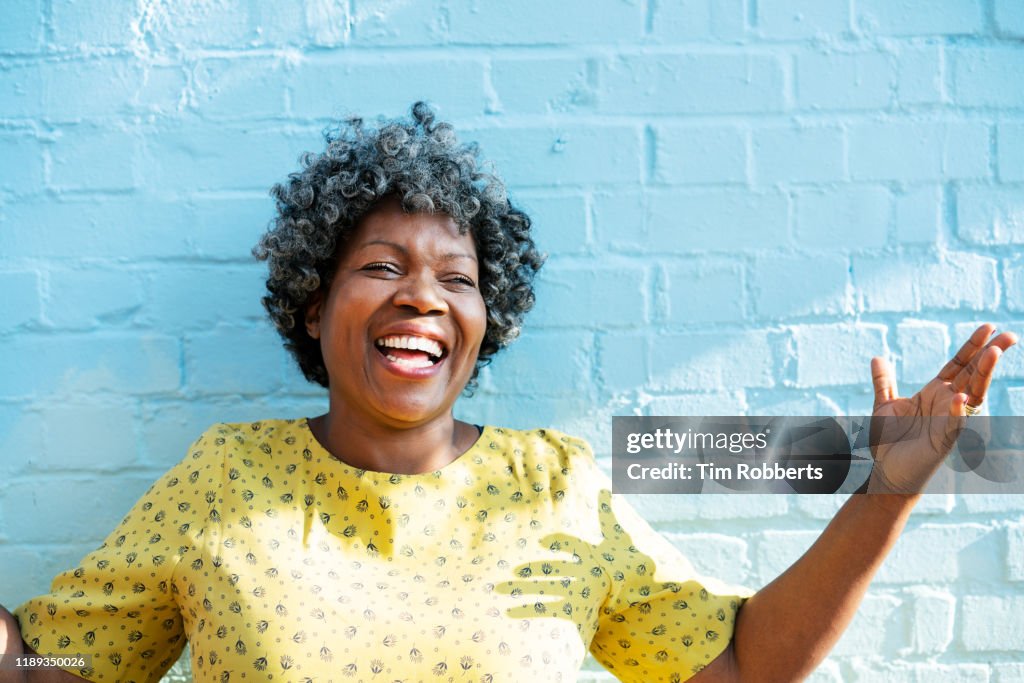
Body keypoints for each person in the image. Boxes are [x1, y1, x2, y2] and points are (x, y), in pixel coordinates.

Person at [0, 103, 1016, 683]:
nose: (421, 298)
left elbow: (745, 667)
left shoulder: (556, 482)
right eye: (380, 267)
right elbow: (47, 662)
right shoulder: (225, 477)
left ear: (489, 319)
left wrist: (884, 490)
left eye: (456, 278)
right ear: (312, 306)